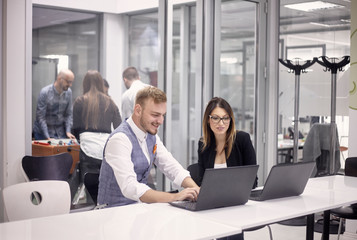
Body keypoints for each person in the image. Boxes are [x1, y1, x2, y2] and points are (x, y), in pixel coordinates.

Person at [98, 86, 199, 207]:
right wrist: (176, 197)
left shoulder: (152, 136)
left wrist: (196, 189)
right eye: (155, 115)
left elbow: (171, 166)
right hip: (113, 213)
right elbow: (130, 187)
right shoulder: (120, 139)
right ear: (138, 110)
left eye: (163, 115)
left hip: (139, 209)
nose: (160, 121)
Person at [197, 97, 257, 240]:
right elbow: (201, 182)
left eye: (225, 118)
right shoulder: (203, 145)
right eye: (216, 118)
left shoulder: (242, 140)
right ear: (208, 119)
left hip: (237, 207)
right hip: (212, 208)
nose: (221, 123)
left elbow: (252, 181)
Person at [72, 70, 122, 183]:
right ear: (101, 83)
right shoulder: (110, 102)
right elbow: (119, 128)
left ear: (85, 83)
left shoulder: (79, 101)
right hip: (106, 149)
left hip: (87, 150)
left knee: (89, 186)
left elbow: (75, 128)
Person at [33, 69, 76, 140]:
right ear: (59, 79)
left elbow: (68, 114)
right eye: (68, 82)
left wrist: (68, 131)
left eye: (71, 82)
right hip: (43, 133)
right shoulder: (45, 92)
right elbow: (40, 117)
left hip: (60, 133)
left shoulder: (69, 92)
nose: (70, 85)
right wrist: (47, 137)